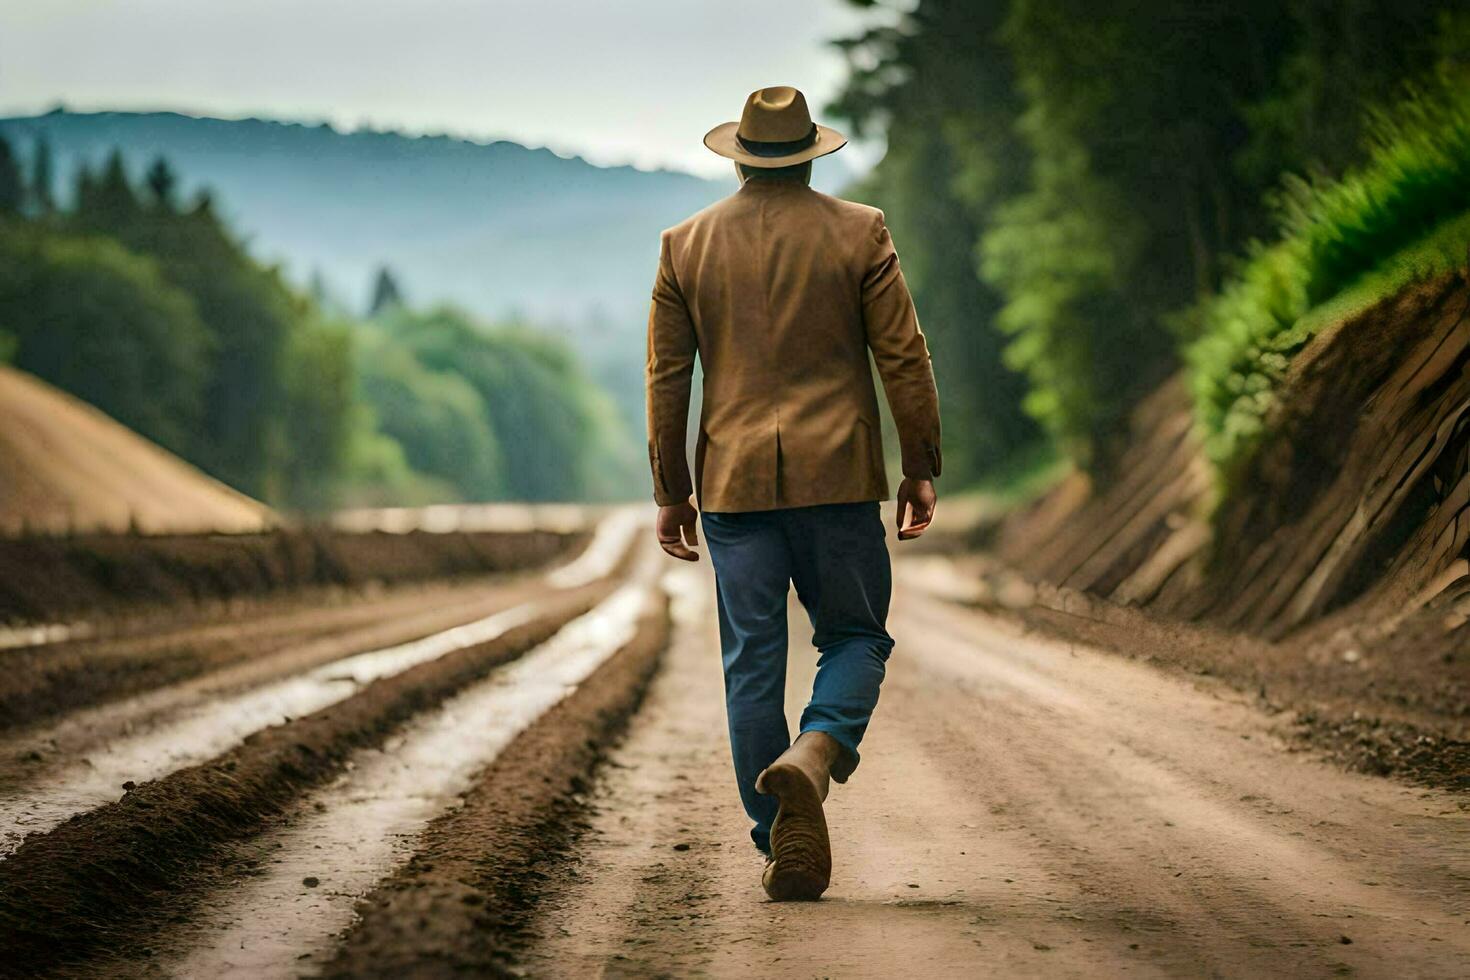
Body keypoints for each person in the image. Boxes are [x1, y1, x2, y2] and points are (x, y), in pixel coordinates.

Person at [645, 86, 941, 901]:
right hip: (840, 480)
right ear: (813, 152)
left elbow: (669, 377)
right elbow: (904, 357)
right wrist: (921, 463)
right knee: (855, 638)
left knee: (751, 665)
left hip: (735, 488)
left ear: (739, 154)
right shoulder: (860, 232)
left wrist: (672, 488)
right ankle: (815, 754)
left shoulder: (685, 245)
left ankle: (778, 834)